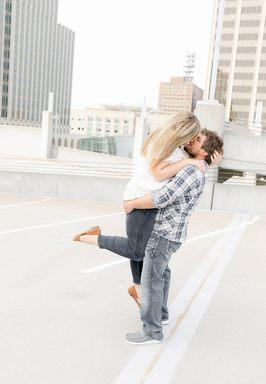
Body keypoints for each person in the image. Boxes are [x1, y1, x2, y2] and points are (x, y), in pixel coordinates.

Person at [73, 128, 224, 344]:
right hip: (172, 232)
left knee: (152, 279)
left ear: (204, 152)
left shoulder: (192, 171)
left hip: (163, 232)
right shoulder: (196, 167)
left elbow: (163, 197)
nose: (191, 140)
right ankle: (160, 315)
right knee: (161, 273)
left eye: (197, 140)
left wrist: (131, 203)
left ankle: (152, 332)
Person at [74, 112, 203, 299]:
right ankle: (92, 237)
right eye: (193, 136)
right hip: (141, 203)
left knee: (139, 249)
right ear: (185, 132)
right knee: (137, 250)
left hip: (141, 200)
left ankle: (138, 289)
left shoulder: (162, 139)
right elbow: (159, 174)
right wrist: (189, 161)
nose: (193, 140)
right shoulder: (170, 148)